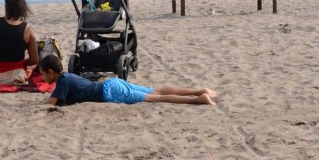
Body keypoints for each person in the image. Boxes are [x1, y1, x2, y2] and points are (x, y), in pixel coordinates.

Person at [39, 55, 216, 106]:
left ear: (50, 72)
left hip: (110, 92)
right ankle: (199, 91)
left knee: (157, 98)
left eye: (43, 75)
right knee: (157, 91)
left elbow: (50, 103)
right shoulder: (67, 77)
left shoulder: (62, 82)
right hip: (112, 83)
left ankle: (199, 99)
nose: (43, 78)